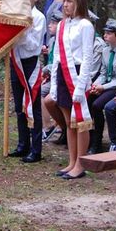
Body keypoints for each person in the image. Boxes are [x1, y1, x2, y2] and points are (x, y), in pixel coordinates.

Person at [49, 0, 95, 179]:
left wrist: (81, 84)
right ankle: (71, 160)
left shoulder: (86, 25)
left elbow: (87, 57)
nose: (65, 5)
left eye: (69, 1)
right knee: (69, 121)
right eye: (64, 1)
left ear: (78, 3)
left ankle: (81, 164)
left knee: (80, 120)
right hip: (62, 72)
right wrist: (53, 83)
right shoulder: (61, 25)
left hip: (77, 74)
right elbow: (57, 57)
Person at [8, 0, 46, 163]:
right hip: (15, 61)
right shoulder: (16, 15)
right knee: (19, 107)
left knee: (33, 106)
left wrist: (22, 30)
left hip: (30, 64)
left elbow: (33, 45)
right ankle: (23, 144)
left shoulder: (38, 18)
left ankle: (36, 149)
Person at [87, 18, 116, 154]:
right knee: (88, 99)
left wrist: (103, 88)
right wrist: (95, 85)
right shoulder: (105, 50)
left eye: (109, 33)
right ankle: (90, 137)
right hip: (105, 84)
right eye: (105, 33)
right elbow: (102, 73)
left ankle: (98, 141)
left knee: (97, 105)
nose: (105, 35)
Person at [40, 10, 64, 142]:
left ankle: (54, 125)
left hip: (60, 77)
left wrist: (46, 70)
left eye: (53, 23)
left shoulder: (63, 39)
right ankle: (49, 125)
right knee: (37, 90)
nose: (49, 25)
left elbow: (57, 62)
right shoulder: (52, 40)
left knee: (43, 93)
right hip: (52, 77)